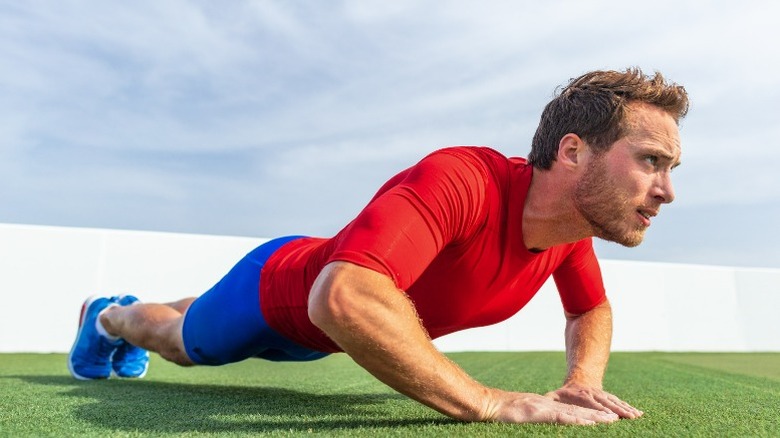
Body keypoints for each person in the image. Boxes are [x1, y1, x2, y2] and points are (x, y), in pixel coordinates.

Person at [68, 67, 688, 426]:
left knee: (196, 310)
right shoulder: (464, 180)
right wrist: (489, 401)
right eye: (651, 161)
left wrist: (583, 378)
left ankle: (138, 313)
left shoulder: (567, 237)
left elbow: (589, 310)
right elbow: (343, 296)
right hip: (277, 294)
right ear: (574, 151)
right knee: (180, 342)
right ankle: (109, 315)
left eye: (672, 168)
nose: (666, 191)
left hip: (330, 332)